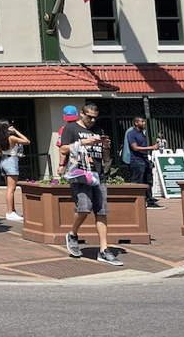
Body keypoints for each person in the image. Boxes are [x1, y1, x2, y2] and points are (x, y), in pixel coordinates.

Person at [60, 103, 122, 266]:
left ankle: (103, 249)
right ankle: (72, 233)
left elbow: (103, 155)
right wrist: (84, 142)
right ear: (81, 114)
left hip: (97, 174)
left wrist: (106, 146)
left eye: (95, 117)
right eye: (89, 116)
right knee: (84, 207)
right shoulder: (71, 128)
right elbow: (63, 150)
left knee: (101, 211)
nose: (92, 120)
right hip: (79, 173)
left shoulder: (98, 131)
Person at [124, 117, 163, 209]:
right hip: (136, 161)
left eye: (144, 121)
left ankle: (149, 200)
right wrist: (151, 147)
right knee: (138, 181)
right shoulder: (131, 133)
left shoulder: (142, 133)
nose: (144, 123)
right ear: (136, 123)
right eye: (142, 121)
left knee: (148, 181)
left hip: (145, 160)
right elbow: (135, 148)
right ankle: (135, 202)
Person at [0, 119, 30, 222]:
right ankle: (10, 212)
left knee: (9, 188)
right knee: (11, 189)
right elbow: (27, 141)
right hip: (11, 160)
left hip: (3, 161)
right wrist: (16, 131)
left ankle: (12, 210)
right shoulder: (12, 137)